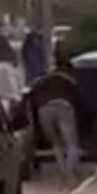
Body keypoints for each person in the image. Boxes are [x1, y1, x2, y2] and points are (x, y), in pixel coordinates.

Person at [27, 53, 84, 184]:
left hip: (44, 109)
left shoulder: (43, 79)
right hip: (64, 107)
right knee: (72, 144)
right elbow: (78, 98)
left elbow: (31, 93)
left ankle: (63, 172)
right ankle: (71, 172)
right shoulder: (69, 79)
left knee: (56, 144)